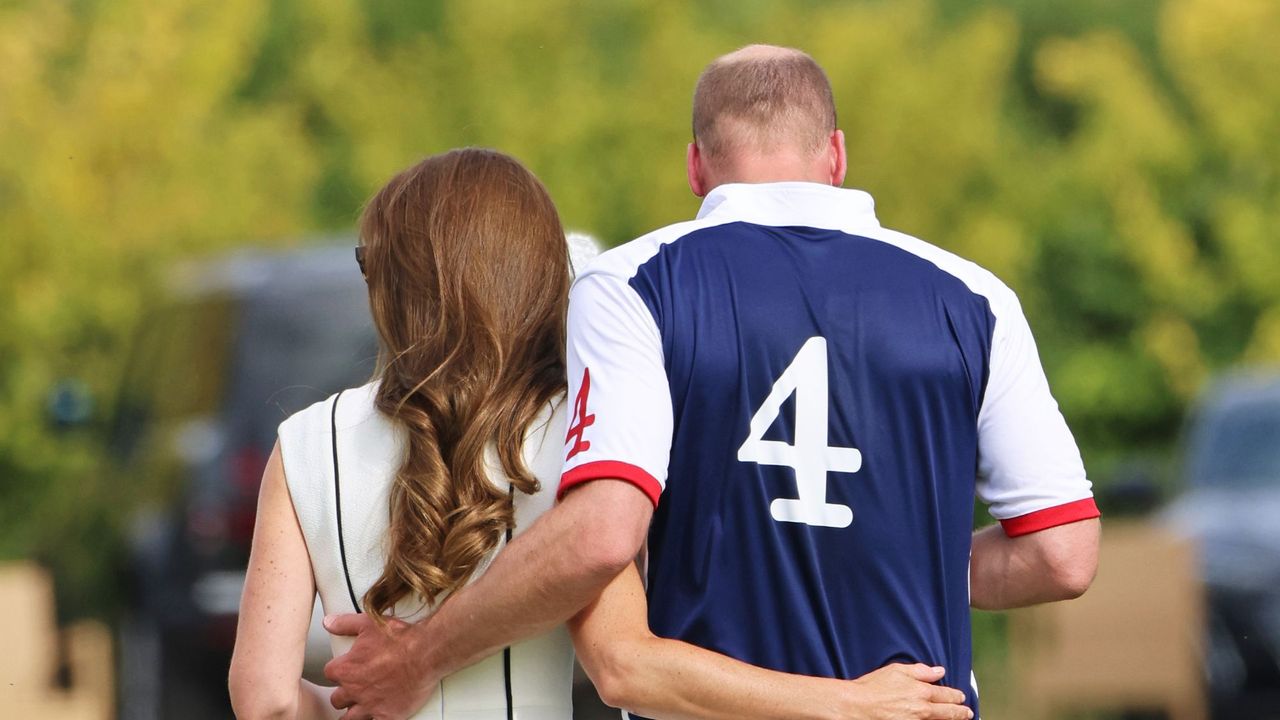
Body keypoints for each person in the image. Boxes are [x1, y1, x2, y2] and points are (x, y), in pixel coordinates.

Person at [323, 46, 1100, 720]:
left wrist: (421, 654)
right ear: (836, 155)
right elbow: (1064, 554)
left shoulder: (634, 283)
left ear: (696, 165)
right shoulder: (975, 297)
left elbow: (601, 534)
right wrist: (892, 556)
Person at [229, 147, 972, 720]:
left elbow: (261, 696)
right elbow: (629, 668)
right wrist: (849, 702)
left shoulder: (302, 444)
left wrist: (358, 699)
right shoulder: (585, 437)